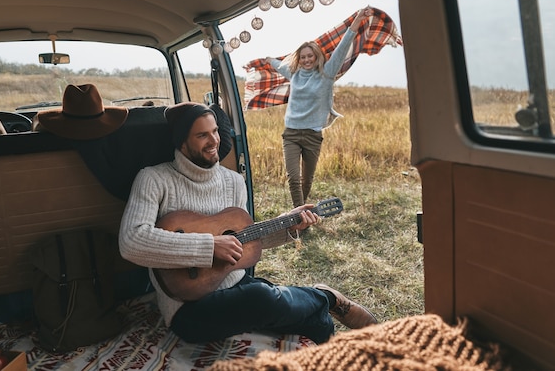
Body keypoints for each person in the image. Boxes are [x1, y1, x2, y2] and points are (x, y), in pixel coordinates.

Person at [118, 101, 377, 345]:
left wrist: (289, 226)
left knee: (313, 325)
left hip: (238, 287)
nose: (214, 142)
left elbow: (243, 240)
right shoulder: (154, 179)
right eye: (202, 135)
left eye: (215, 131)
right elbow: (131, 241)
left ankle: (330, 340)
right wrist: (209, 246)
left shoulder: (233, 182)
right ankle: (327, 298)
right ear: (182, 142)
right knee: (262, 298)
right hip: (188, 308)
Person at [264, 7, 373, 207]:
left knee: (307, 180)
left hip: (313, 136)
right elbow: (278, 65)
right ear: (299, 59)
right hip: (291, 134)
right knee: (294, 179)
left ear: (316, 57)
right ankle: (299, 216)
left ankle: (302, 211)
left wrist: (357, 19)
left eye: (309, 56)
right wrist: (267, 60)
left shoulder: (327, 74)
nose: (306, 60)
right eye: (303, 57)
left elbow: (343, 46)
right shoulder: (294, 73)